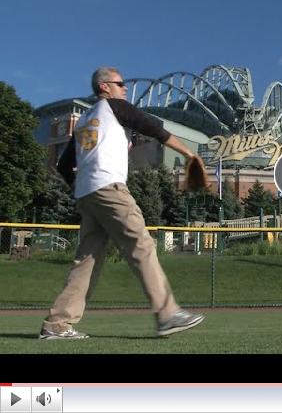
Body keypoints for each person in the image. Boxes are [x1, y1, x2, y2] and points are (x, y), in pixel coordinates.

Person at [39, 67, 205, 339]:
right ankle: (167, 314)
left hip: (88, 195)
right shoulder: (114, 107)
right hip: (109, 188)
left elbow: (64, 164)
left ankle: (56, 325)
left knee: (87, 261)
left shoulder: (84, 121)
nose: (125, 88)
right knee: (141, 244)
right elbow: (152, 126)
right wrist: (189, 153)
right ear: (105, 87)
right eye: (120, 83)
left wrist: (81, 186)